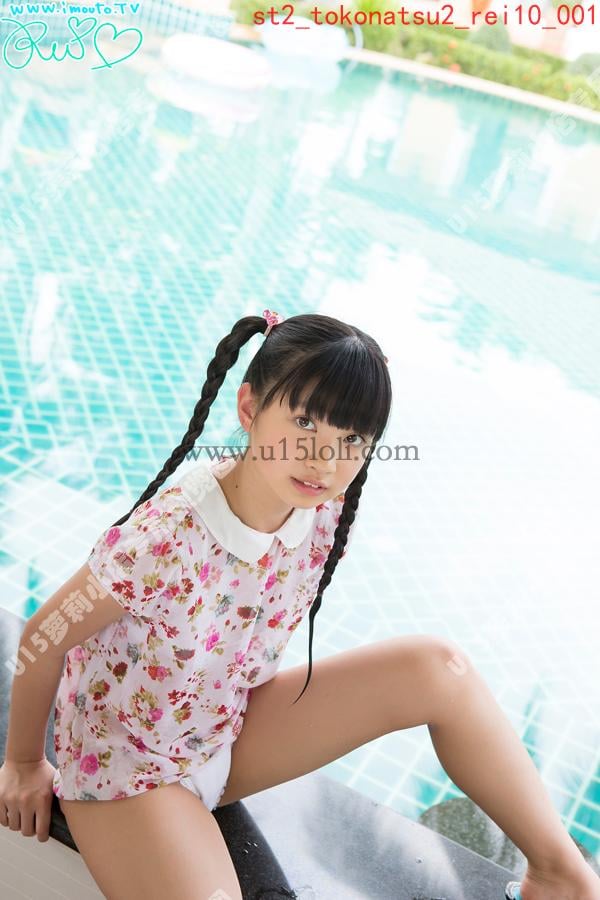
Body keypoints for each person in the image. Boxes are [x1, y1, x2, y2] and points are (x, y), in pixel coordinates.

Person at [1, 310, 598, 900]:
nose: (324, 460)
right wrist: (25, 763)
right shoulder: (164, 538)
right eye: (305, 422)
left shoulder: (323, 513)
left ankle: (561, 875)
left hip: (222, 731)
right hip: (127, 767)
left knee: (438, 669)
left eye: (351, 439)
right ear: (249, 409)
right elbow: (42, 637)